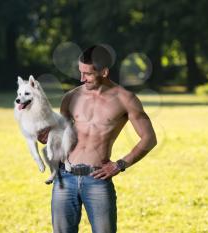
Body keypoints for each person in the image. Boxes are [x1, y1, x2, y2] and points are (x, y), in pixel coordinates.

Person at [38, 45, 157, 233]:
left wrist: (120, 164)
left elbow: (149, 138)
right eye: (80, 72)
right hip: (64, 178)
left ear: (104, 72)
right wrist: (48, 136)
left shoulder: (125, 99)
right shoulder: (71, 97)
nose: (81, 78)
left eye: (88, 74)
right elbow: (62, 136)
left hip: (97, 179)